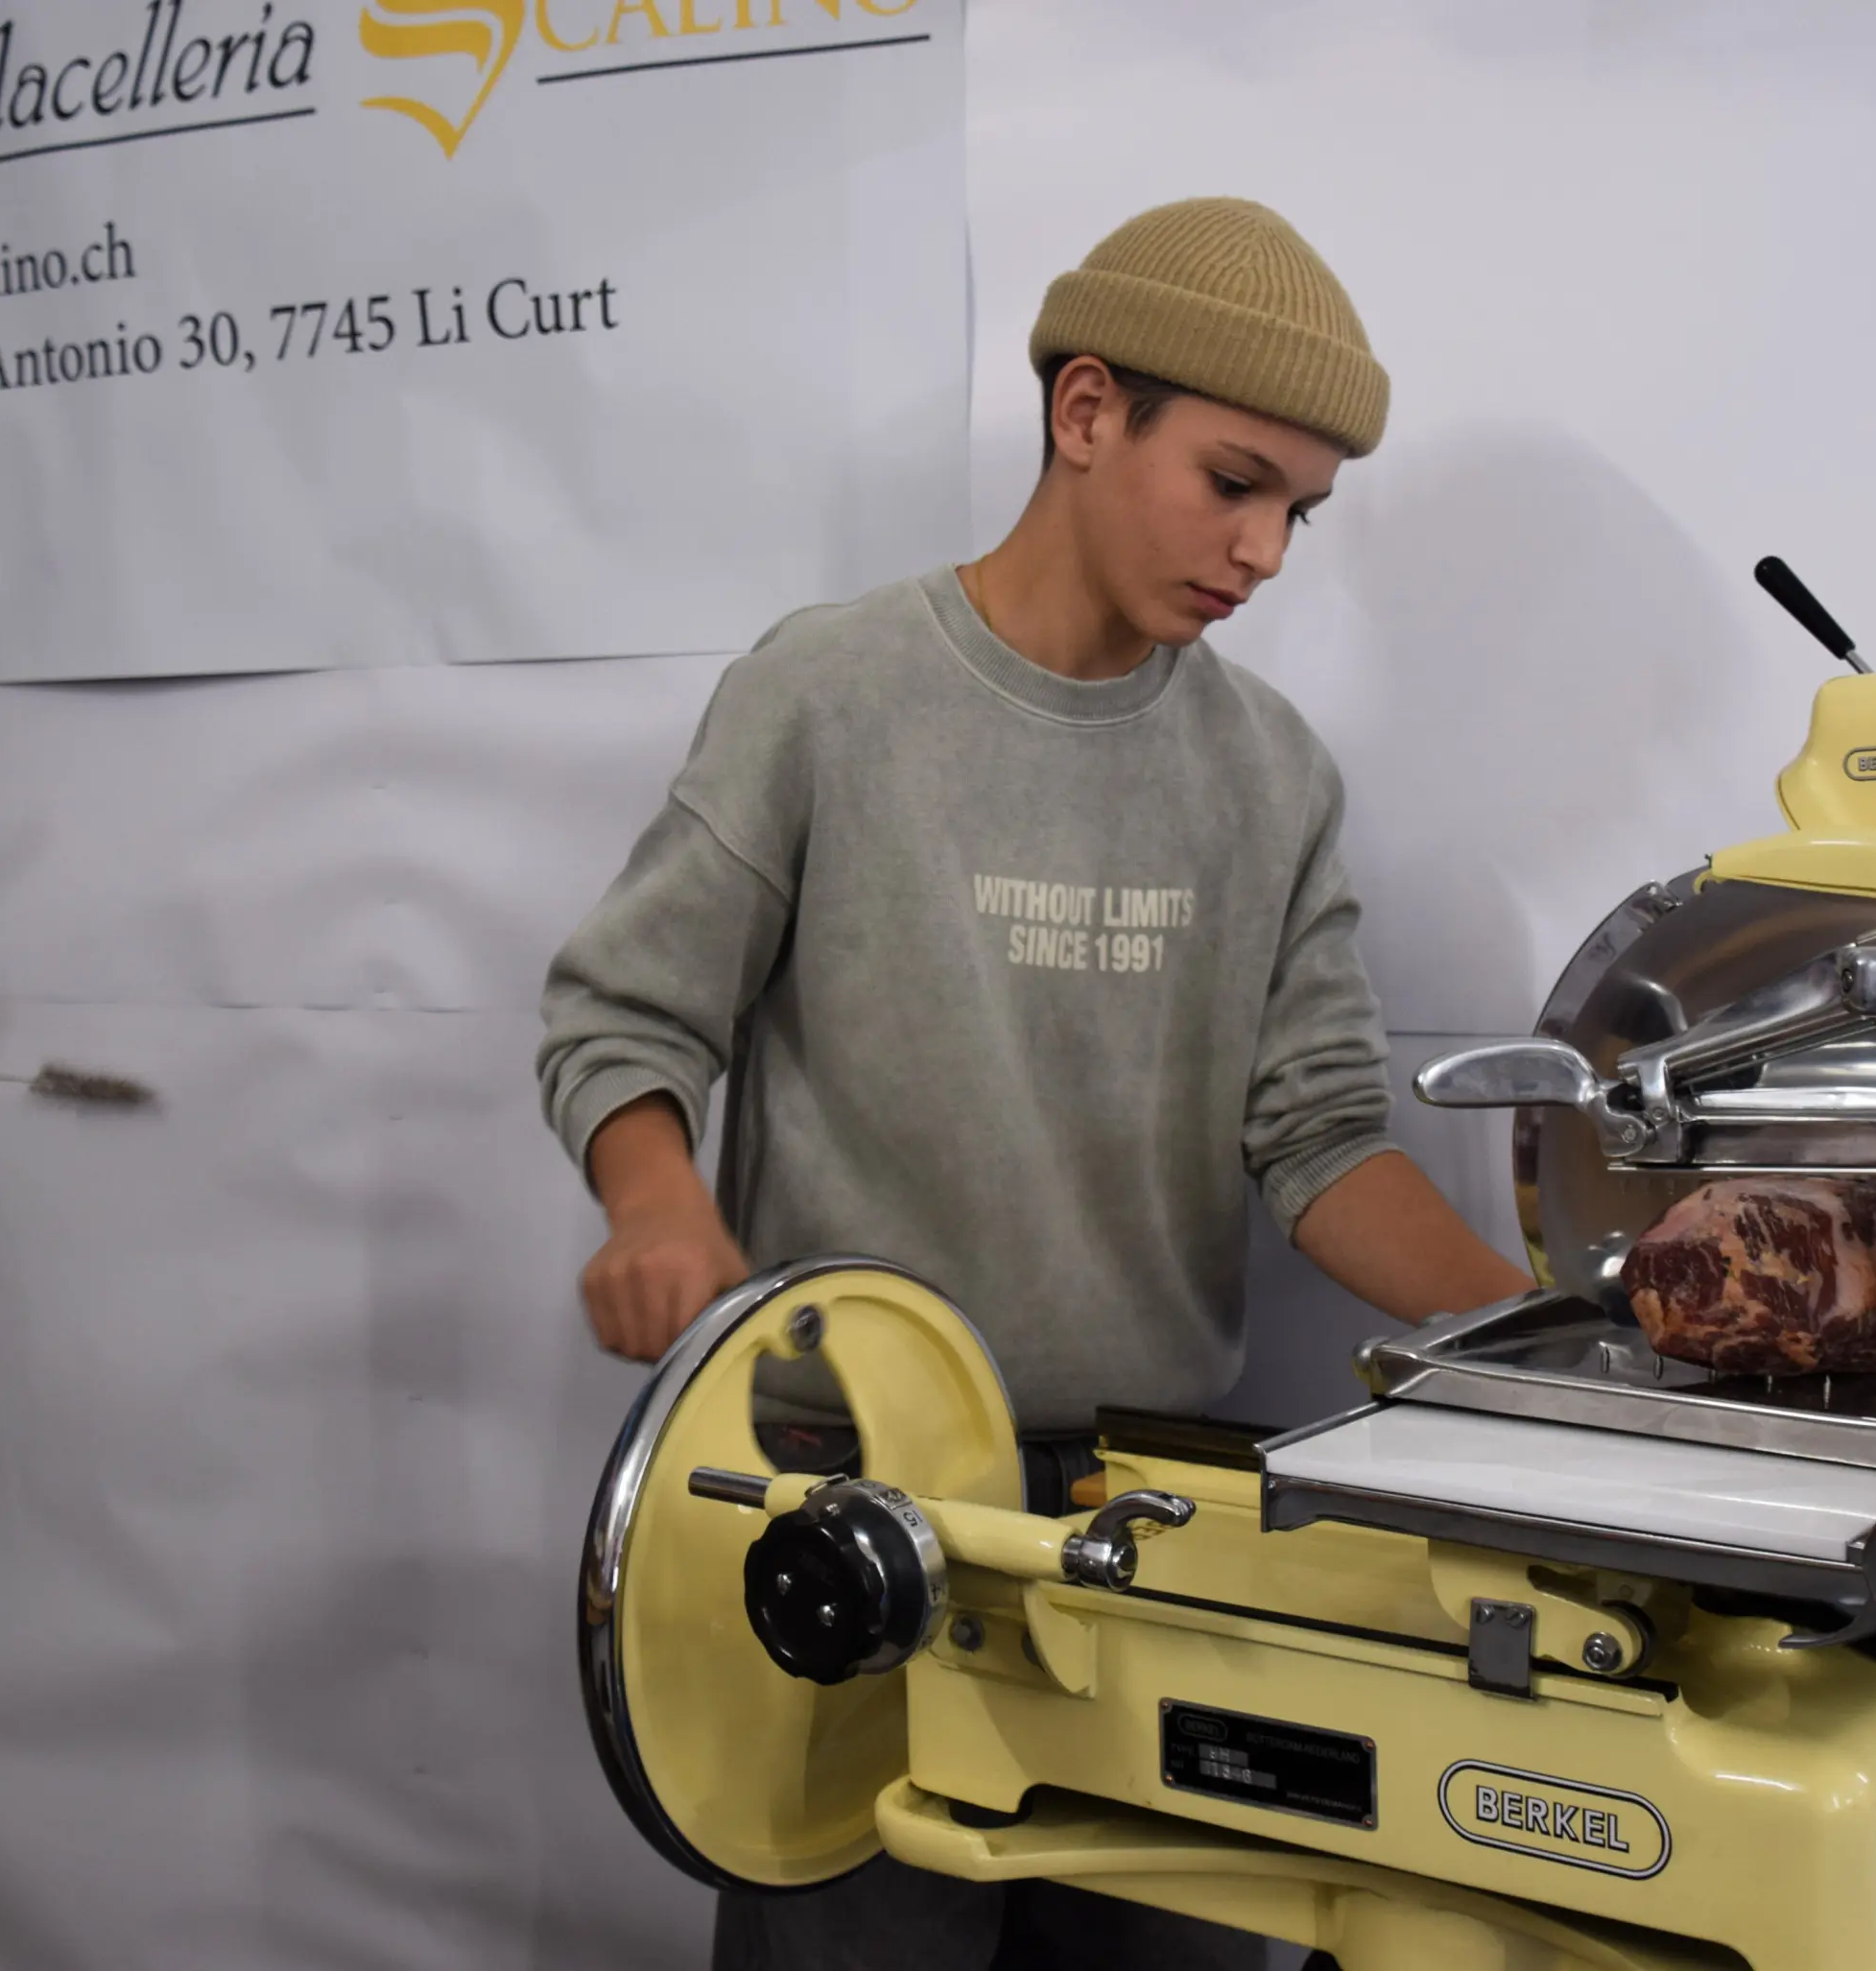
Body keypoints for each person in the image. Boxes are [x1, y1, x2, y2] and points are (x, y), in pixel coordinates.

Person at [536, 196, 1532, 1971]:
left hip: (1146, 1530)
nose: (1266, 551)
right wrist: (656, 1201)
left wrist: (1556, 1351)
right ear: (1088, 413)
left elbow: (1316, 1143)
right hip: (849, 1506)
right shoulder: (828, 697)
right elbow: (623, 1014)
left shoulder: (1270, 774)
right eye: (1234, 481)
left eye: (1298, 510)